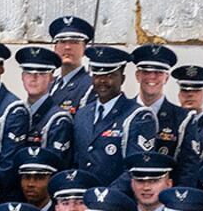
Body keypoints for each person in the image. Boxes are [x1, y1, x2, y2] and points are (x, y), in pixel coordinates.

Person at [72, 46, 157, 185]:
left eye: (110, 75)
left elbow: (136, 167)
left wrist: (105, 197)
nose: (103, 81)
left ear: (122, 79)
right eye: (98, 75)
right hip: (82, 198)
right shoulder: (82, 113)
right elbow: (76, 160)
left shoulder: (138, 116)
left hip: (117, 200)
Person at [17, 46, 74, 166]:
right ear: (22, 77)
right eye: (29, 72)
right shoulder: (18, 112)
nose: (34, 78)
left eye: (41, 73)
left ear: (51, 78)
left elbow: (56, 165)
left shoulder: (58, 119)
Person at [131, 45, 187, 161]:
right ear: (137, 76)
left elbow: (187, 166)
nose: (152, 77)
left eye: (158, 72)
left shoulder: (182, 118)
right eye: (146, 71)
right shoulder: (123, 111)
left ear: (166, 78)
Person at [45, 15, 94, 114]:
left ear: (84, 49)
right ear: (55, 47)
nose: (67, 47)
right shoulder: (49, 85)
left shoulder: (90, 87)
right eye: (62, 42)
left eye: (74, 42)